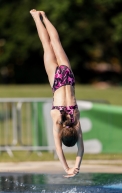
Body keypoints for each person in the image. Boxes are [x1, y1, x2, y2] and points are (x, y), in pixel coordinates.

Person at [30, 9, 84, 178]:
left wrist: (76, 166)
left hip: (68, 77)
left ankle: (44, 16)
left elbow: (81, 148)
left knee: (56, 42)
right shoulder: (57, 120)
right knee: (46, 44)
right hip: (57, 81)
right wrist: (66, 168)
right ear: (62, 135)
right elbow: (58, 149)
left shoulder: (75, 119)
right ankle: (35, 17)